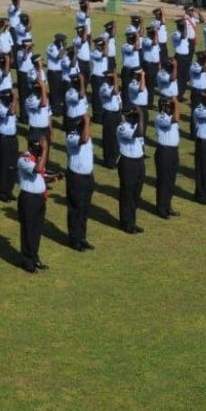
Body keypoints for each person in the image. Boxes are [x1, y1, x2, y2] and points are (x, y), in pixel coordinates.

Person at [17, 137, 60, 273]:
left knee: (36, 230)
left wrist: (54, 178)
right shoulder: (24, 159)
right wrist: (45, 150)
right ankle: (27, 261)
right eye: (39, 148)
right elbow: (37, 169)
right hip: (28, 199)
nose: (41, 151)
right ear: (32, 147)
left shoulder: (37, 158)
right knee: (28, 231)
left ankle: (34, 257)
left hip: (39, 199)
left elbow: (41, 175)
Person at [65, 114, 96, 251]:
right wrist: (86, 121)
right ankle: (74, 239)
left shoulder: (86, 135)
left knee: (84, 209)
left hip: (87, 177)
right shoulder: (71, 136)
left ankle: (82, 237)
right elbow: (83, 139)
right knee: (76, 209)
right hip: (76, 177)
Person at [116, 108, 146, 234]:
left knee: (136, 193)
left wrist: (140, 117)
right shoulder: (122, 127)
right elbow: (139, 134)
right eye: (133, 115)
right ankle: (126, 223)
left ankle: (132, 221)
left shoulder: (136, 126)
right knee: (127, 193)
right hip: (127, 162)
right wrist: (140, 115)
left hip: (138, 161)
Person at [154, 96, 182, 219]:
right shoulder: (160, 117)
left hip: (173, 151)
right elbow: (176, 118)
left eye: (169, 105)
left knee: (171, 180)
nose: (167, 107)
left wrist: (174, 104)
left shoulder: (170, 116)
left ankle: (167, 206)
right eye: (165, 105)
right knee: (163, 181)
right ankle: (161, 208)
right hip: (164, 152)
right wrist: (176, 103)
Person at [0, 89, 20, 201]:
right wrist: (15, 98)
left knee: (12, 166)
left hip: (13, 138)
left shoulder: (10, 103)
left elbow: (16, 111)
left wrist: (15, 99)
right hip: (3, 139)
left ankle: (9, 190)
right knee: (4, 166)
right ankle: (2, 192)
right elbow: (12, 112)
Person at [99, 72, 122, 168]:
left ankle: (114, 159)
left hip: (116, 115)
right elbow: (115, 92)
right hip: (109, 115)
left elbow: (119, 101)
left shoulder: (113, 86)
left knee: (116, 139)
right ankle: (109, 161)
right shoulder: (104, 87)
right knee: (109, 139)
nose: (115, 80)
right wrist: (116, 79)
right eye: (112, 78)